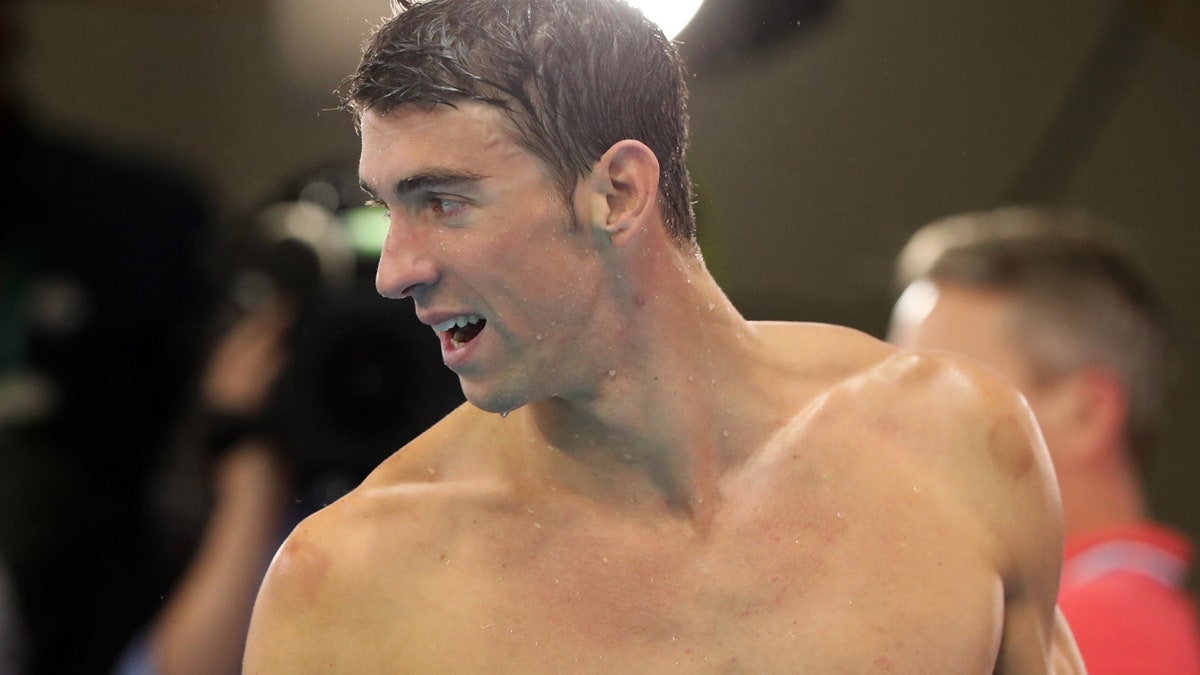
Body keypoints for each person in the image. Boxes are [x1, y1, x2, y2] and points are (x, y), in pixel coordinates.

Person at [243, 1, 1086, 671]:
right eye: (385, 208)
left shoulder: (957, 444)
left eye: (444, 202)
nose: (395, 269)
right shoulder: (349, 587)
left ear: (616, 192)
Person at [888, 206, 1200, 674]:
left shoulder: (1096, 627)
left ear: (1086, 413)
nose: (891, 419)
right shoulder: (1088, 615)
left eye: (934, 384)